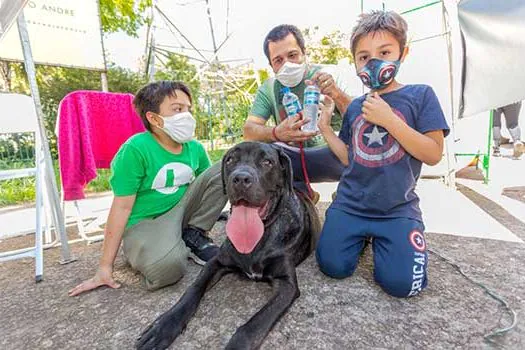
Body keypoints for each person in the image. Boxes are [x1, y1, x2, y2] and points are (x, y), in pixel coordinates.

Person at [315, 11, 450, 298]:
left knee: (404, 286)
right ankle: (362, 237)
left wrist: (389, 120)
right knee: (332, 266)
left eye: (384, 52)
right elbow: (349, 158)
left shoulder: (421, 95)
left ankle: (386, 241)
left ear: (403, 53)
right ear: (354, 62)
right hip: (351, 205)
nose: (373, 62)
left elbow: (434, 153)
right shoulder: (354, 107)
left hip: (397, 210)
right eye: (363, 56)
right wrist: (325, 129)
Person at [69, 81, 227, 295]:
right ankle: (161, 247)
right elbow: (121, 207)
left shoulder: (195, 148)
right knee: (166, 270)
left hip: (182, 213)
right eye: (177, 109)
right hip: (147, 223)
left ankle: (193, 235)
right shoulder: (135, 149)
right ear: (153, 118)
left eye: (188, 109)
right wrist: (105, 267)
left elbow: (209, 188)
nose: (187, 116)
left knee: (227, 168)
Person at [243, 24, 353, 201]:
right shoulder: (269, 88)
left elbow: (361, 118)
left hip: (334, 155)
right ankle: (301, 193)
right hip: (292, 159)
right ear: (271, 66)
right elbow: (248, 131)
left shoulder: (327, 76)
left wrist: (336, 94)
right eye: (278, 60)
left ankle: (349, 193)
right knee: (263, 152)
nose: (287, 64)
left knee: (364, 146)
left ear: (304, 53)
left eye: (292, 55)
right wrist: (276, 133)